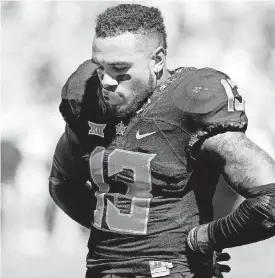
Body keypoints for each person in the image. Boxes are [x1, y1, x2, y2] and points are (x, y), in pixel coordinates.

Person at [49, 4, 275, 278]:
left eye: (120, 68)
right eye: (100, 67)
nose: (107, 81)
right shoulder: (87, 100)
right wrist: (115, 231)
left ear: (157, 60)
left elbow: (270, 198)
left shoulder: (188, 102)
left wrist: (205, 238)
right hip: (102, 269)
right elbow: (62, 182)